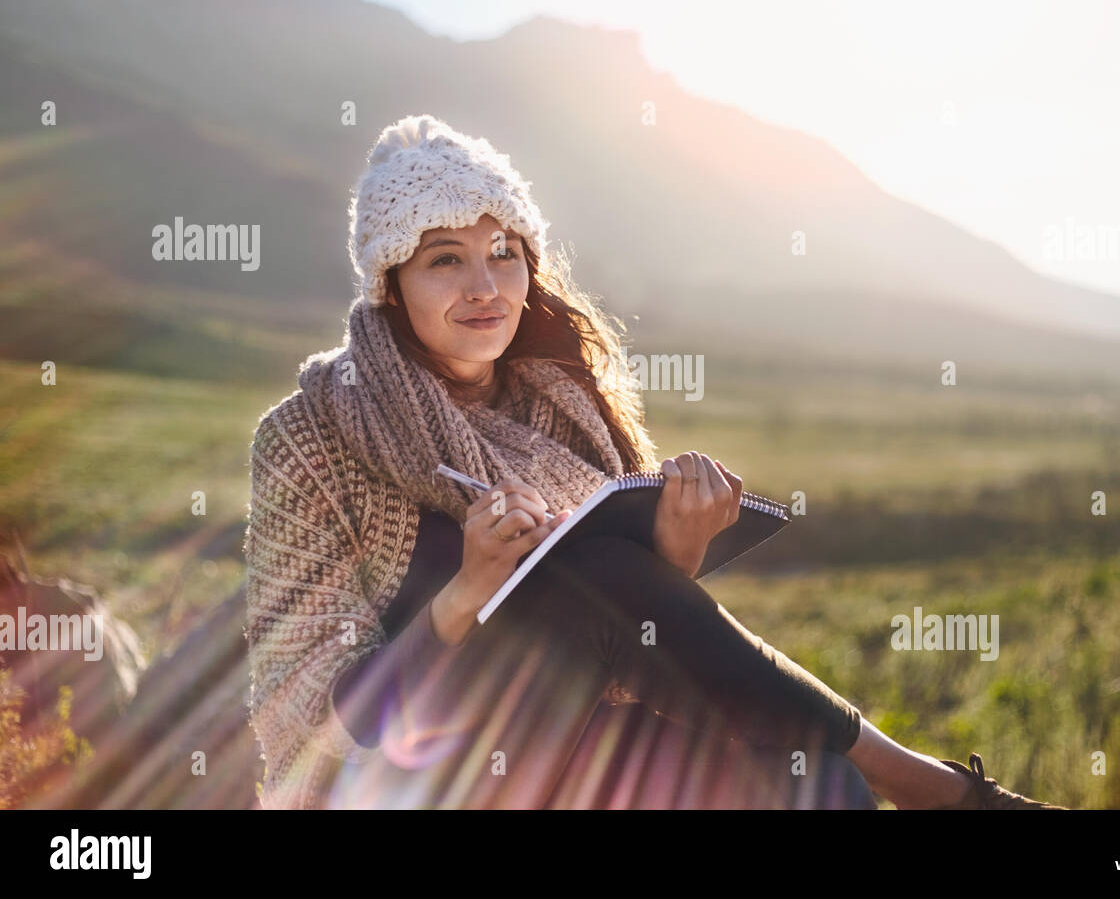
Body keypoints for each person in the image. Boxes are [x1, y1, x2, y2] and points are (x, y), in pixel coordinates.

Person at [243, 113, 1062, 810]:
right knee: (596, 564)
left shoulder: (559, 407)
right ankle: (934, 788)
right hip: (386, 780)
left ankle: (892, 783)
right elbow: (318, 711)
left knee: (803, 780)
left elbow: (627, 645)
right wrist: (467, 594)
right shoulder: (309, 437)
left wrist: (678, 549)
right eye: (445, 258)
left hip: (557, 744)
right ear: (391, 285)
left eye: (505, 252)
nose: (486, 284)